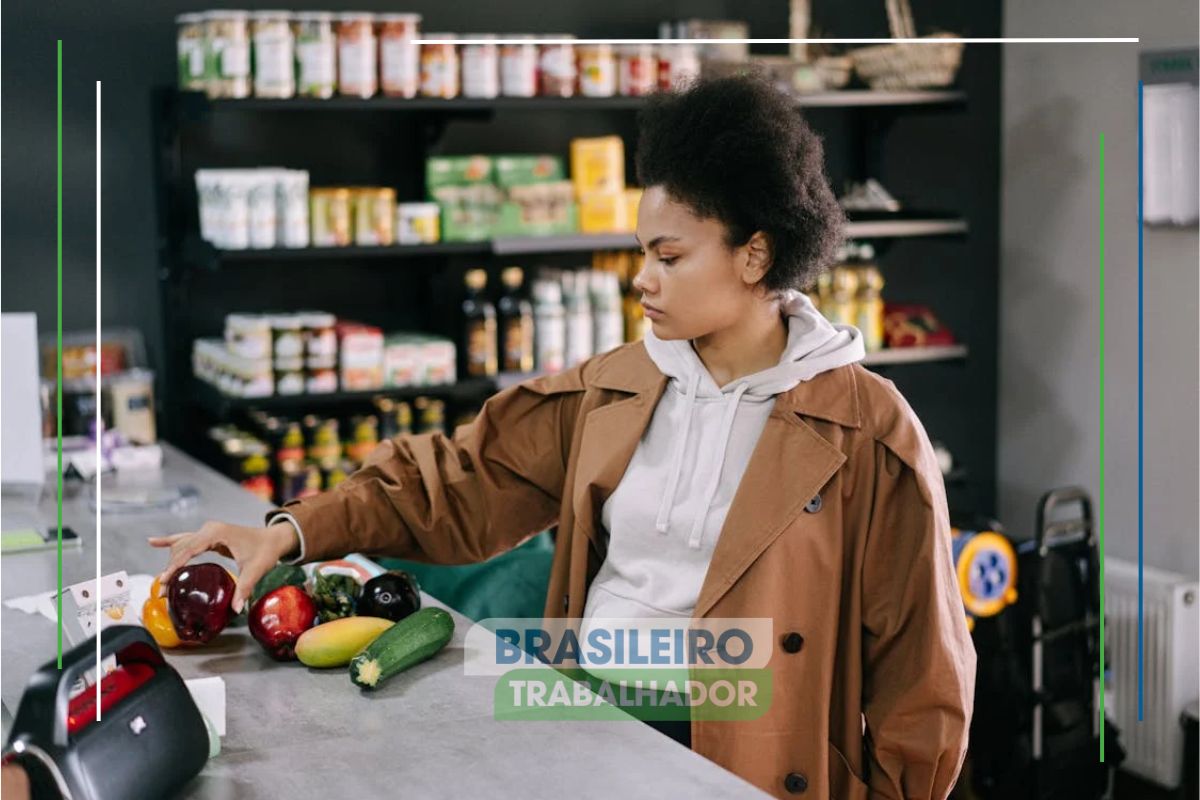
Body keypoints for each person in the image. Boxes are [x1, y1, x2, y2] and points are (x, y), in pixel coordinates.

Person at [151, 74, 975, 799]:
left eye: (670, 256)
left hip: (750, 751)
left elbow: (922, 677)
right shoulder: (619, 384)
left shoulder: (866, 429)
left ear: (756, 254)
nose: (642, 279)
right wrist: (293, 529)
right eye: (641, 252)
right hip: (593, 723)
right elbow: (460, 480)